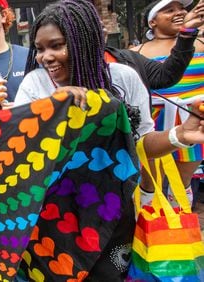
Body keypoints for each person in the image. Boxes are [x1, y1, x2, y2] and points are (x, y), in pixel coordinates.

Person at [13, 0, 204, 280]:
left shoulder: (124, 79)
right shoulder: (35, 85)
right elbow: (22, 153)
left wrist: (179, 136)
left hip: (114, 211)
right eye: (40, 49)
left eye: (57, 45)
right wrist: (49, 112)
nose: (46, 57)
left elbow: (140, 144)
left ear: (85, 42)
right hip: (53, 216)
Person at [130, 0, 204, 206]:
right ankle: (148, 227)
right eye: (169, 10)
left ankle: (181, 231)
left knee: (182, 182)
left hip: (194, 120)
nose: (179, 12)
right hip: (152, 122)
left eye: (181, 8)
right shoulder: (136, 52)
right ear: (152, 21)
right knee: (150, 181)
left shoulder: (200, 43)